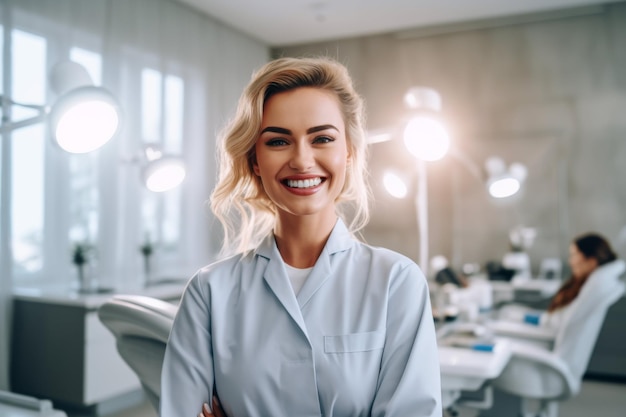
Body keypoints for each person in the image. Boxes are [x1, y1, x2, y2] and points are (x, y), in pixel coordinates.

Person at [159, 56, 442, 417]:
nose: (302, 160)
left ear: (349, 153)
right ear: (255, 160)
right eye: (278, 141)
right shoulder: (209, 292)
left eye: (322, 138)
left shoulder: (396, 282)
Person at [500, 232, 618, 329]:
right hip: (547, 325)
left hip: (545, 336)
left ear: (591, 262)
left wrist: (523, 317)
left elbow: (555, 322)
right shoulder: (588, 285)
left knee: (504, 316)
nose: (570, 262)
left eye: (573, 255)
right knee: (508, 311)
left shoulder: (589, 288)